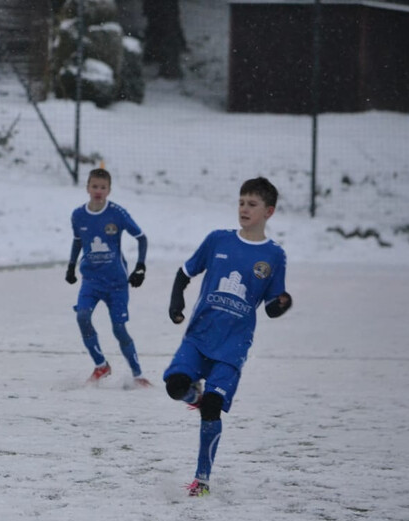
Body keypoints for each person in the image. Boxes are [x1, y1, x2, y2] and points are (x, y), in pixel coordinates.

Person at [164, 176, 293, 497]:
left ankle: (202, 480)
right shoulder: (218, 240)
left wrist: (282, 303)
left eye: (252, 204)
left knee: (213, 407)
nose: (244, 209)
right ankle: (193, 395)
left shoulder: (274, 255)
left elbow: (271, 307)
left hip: (233, 346)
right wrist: (176, 301)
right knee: (174, 387)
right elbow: (184, 272)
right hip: (199, 336)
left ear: (269, 211)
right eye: (241, 202)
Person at [65, 167, 150, 386]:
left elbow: (141, 237)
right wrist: (71, 265)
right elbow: (77, 240)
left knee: (119, 329)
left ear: (109, 190)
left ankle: (138, 375)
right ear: (87, 188)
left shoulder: (117, 213)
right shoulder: (78, 215)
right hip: (91, 281)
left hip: (116, 283)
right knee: (82, 316)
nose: (98, 191)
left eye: (103, 187)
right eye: (94, 186)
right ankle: (101, 365)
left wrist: (140, 267)